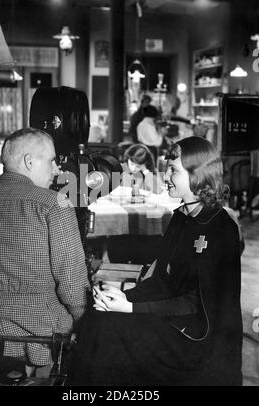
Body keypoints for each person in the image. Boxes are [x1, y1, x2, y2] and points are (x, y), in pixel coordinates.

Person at [68, 136, 243, 386]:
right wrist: (122, 297)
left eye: (173, 170)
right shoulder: (182, 217)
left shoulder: (221, 228)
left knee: (110, 331)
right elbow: (161, 279)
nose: (165, 177)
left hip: (197, 343)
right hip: (175, 321)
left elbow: (196, 304)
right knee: (97, 317)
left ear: (198, 175)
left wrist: (131, 308)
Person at [0, 127, 90, 376]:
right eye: (52, 161)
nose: (57, 170)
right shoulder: (54, 203)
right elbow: (71, 283)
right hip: (40, 332)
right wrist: (86, 319)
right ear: (30, 162)